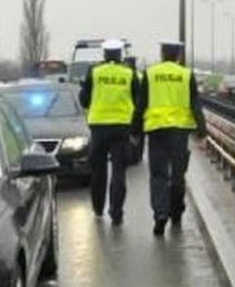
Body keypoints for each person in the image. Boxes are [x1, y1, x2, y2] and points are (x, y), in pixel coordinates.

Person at [139, 42, 206, 236]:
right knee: (178, 176)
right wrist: (202, 131)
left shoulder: (150, 74)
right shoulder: (186, 75)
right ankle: (176, 212)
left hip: (157, 130)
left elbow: (141, 104)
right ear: (179, 55)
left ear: (161, 53)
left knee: (158, 174)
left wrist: (135, 131)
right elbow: (195, 104)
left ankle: (160, 214)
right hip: (179, 131)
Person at [79, 39, 139, 225]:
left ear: (104, 54)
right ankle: (116, 211)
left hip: (98, 127)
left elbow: (84, 99)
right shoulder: (129, 73)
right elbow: (137, 99)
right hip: (122, 127)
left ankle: (98, 208)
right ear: (120, 54)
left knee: (98, 170)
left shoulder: (94, 71)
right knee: (119, 171)